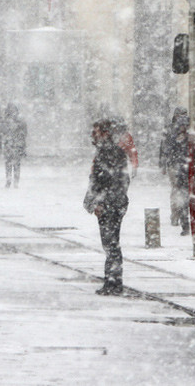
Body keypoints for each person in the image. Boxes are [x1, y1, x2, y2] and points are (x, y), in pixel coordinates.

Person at [84, 119, 131, 295]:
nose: (93, 136)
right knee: (110, 244)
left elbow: (115, 181)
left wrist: (102, 202)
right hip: (110, 204)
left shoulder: (110, 153)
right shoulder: (106, 152)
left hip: (111, 205)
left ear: (105, 133)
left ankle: (113, 282)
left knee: (111, 244)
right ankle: (111, 281)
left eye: (96, 132)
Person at [159, 108, 190, 235]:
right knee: (177, 189)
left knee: (179, 190)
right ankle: (176, 214)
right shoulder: (171, 130)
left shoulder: (187, 132)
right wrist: (163, 163)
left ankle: (179, 215)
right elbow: (164, 147)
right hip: (176, 165)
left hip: (182, 165)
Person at [2, 104, 27, 188]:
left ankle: (15, 181)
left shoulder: (19, 122)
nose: (13, 113)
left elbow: (24, 133)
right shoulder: (6, 122)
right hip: (10, 144)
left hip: (15, 144)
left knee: (15, 163)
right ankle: (9, 180)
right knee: (9, 163)